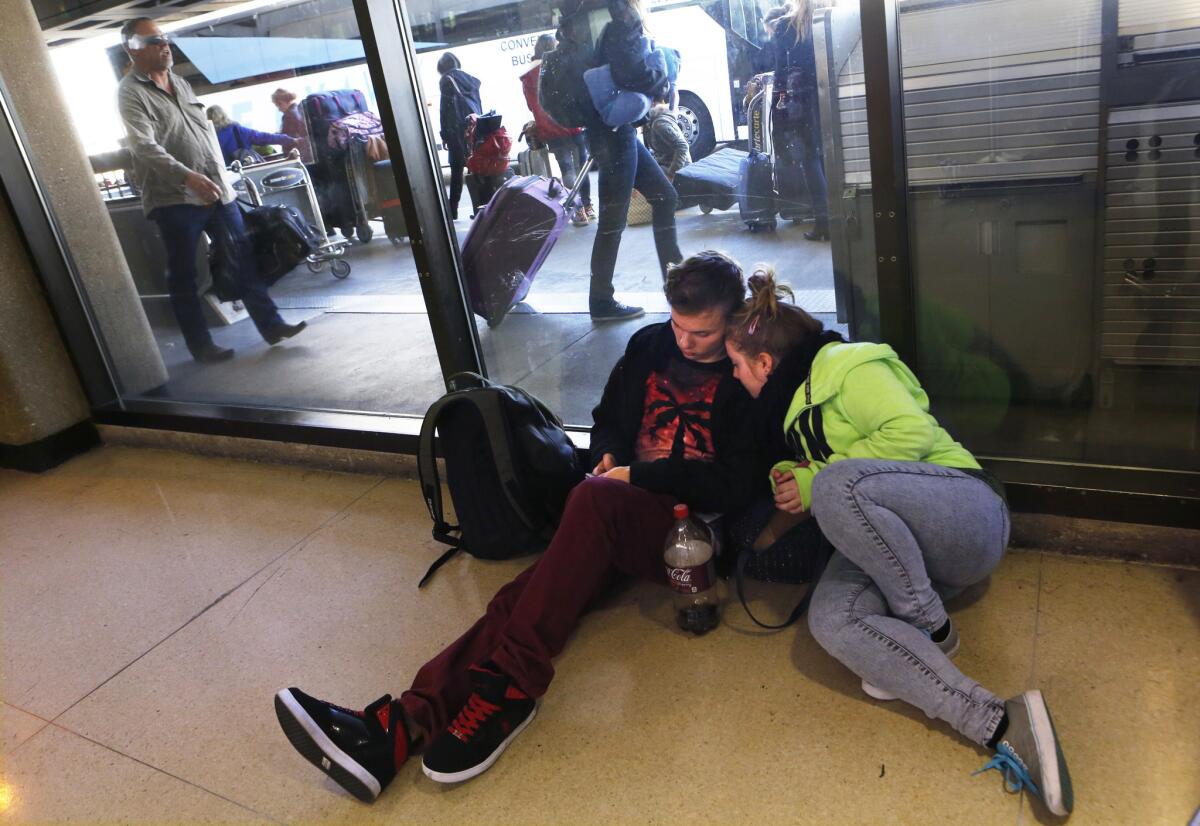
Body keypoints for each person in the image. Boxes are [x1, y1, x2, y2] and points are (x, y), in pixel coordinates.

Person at [274, 250, 760, 800]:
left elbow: (737, 484)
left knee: (587, 512)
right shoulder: (649, 344)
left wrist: (631, 477)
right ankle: (404, 725)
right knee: (521, 601)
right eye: (678, 325)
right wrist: (607, 457)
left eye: (701, 332)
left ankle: (513, 689)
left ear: (732, 318)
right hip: (617, 505)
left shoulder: (745, 368)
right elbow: (608, 420)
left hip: (687, 536)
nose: (685, 342)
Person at [723, 271, 1074, 818]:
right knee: (831, 620)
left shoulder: (849, 364)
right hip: (915, 562)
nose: (736, 378)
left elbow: (910, 435)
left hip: (970, 516)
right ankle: (998, 722)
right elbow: (848, 474)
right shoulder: (793, 412)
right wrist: (795, 474)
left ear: (764, 364)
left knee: (839, 484)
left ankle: (930, 628)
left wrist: (819, 480)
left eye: (737, 366)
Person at [117, 18, 305, 363]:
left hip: (218, 190)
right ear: (133, 48)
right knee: (185, 273)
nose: (165, 44)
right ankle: (200, 345)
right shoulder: (130, 92)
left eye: (165, 38)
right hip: (175, 198)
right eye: (155, 39)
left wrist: (219, 180)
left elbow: (202, 137)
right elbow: (143, 146)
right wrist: (188, 177)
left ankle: (272, 324)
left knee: (243, 256)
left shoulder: (181, 83)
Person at [566, 0, 684, 322]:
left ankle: (678, 286)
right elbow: (631, 70)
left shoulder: (585, 13)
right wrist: (660, 80)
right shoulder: (619, 13)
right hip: (614, 133)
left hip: (610, 129)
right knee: (613, 220)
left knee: (664, 197)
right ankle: (601, 300)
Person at [770, 1, 830, 240]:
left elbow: (779, 72)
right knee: (832, 160)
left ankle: (824, 223)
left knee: (810, 159)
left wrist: (779, 109)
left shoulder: (786, 27)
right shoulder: (831, 17)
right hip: (830, 96)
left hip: (802, 103)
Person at [520, 33, 593, 227]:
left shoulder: (528, 75)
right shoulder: (559, 63)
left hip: (550, 128)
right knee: (581, 165)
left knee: (566, 168)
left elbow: (530, 105)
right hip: (573, 122)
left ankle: (577, 210)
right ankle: (587, 205)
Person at [437, 52, 482, 220]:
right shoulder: (469, 79)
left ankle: (452, 209)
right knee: (475, 170)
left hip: (456, 131)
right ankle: (480, 207)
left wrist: (444, 134)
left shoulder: (447, 80)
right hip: (473, 128)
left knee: (456, 171)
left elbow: (445, 110)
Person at [205, 105, 299, 166]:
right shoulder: (236, 130)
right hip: (246, 170)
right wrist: (291, 140)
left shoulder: (208, 138)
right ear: (224, 115)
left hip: (228, 176)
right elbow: (264, 137)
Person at [644, 96, 691, 178]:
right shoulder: (650, 122)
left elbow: (682, 146)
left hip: (678, 170)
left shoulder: (659, 124)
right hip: (664, 165)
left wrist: (671, 174)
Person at [270, 89, 314, 165]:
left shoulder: (289, 115)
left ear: (284, 101)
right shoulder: (299, 109)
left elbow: (289, 138)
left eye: (279, 104)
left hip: (297, 156)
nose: (279, 109)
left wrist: (276, 137)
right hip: (307, 154)